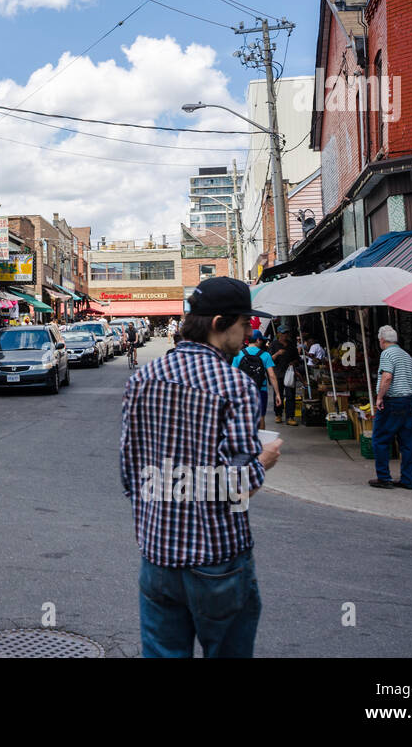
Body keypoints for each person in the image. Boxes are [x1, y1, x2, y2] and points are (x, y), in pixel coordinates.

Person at [121, 276, 281, 658]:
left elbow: (130, 474)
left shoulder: (141, 380)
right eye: (244, 323)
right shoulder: (234, 386)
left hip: (158, 557)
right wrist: (264, 460)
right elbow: (237, 487)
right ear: (218, 322)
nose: (248, 333)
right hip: (218, 559)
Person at [369, 325, 412, 491]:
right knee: (408, 443)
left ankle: (384, 477)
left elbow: (387, 376)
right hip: (409, 401)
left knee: (380, 439)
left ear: (382, 340)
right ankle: (408, 479)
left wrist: (379, 397)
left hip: (393, 402)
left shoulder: (387, 354)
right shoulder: (406, 355)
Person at [233, 331, 281, 431]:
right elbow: (272, 376)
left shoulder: (238, 354)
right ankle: (261, 443)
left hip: (243, 391)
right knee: (261, 418)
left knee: (244, 418)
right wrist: (277, 394)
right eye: (261, 340)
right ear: (258, 340)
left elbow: (232, 374)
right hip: (260, 390)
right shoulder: (265, 355)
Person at [268, 329, 301, 427]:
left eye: (286, 333)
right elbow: (269, 359)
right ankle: (278, 414)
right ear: (278, 334)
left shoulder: (291, 345)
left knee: (290, 395)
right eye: (283, 333)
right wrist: (278, 353)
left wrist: (293, 362)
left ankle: (290, 417)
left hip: (289, 374)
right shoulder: (273, 345)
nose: (285, 335)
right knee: (278, 395)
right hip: (277, 373)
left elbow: (297, 359)